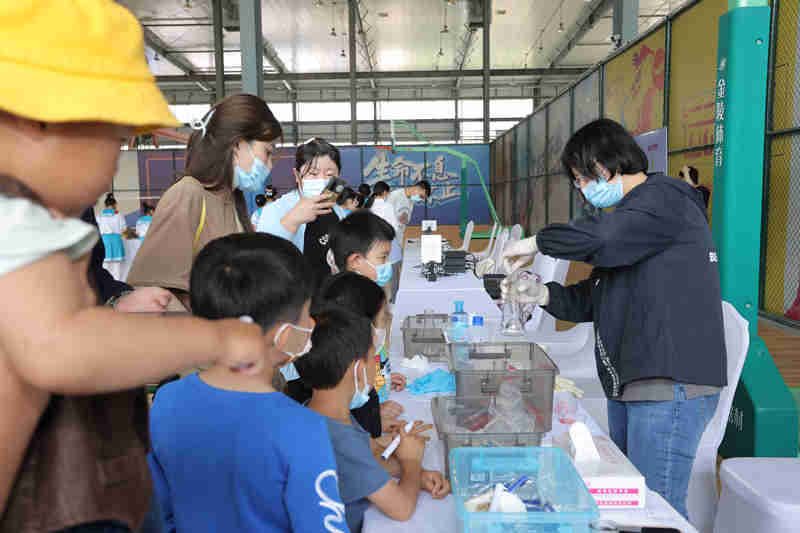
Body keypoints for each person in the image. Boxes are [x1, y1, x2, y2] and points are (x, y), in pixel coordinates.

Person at [0, 2, 269, 530]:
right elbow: (59, 348)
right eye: (116, 137)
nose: (117, 157)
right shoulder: (15, 216)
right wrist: (216, 339)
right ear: (38, 120)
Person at [502, 118, 726, 520]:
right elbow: (597, 296)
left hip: (668, 380)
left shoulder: (664, 199)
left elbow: (601, 237)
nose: (582, 189)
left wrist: (538, 242)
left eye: (583, 178)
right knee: (629, 501)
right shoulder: (634, 220)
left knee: (656, 511)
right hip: (634, 378)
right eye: (577, 181)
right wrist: (542, 294)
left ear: (606, 165)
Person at [148, 233, 348, 533]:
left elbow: (156, 511)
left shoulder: (166, 401)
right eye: (307, 314)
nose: (312, 324)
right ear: (282, 336)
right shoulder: (303, 429)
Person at [295, 307, 449, 533]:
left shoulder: (321, 410)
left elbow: (372, 457)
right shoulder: (341, 438)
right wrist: (411, 462)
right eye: (373, 360)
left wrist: (419, 475)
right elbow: (402, 509)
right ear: (358, 369)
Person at [127, 93, 281, 311]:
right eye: (267, 152)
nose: (270, 165)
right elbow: (153, 293)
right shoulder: (188, 194)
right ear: (237, 145)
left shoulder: (232, 199)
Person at [257, 138, 341, 284]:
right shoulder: (275, 210)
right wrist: (291, 221)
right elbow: (262, 260)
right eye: (313, 173)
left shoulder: (337, 207)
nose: (322, 180)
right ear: (297, 176)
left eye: (329, 174)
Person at [386, 180, 431, 298]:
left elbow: (405, 221)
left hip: (399, 238)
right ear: (418, 188)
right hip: (389, 238)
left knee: (398, 269)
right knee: (393, 270)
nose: (420, 199)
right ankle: (394, 299)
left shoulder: (411, 201)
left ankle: (397, 296)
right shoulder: (395, 195)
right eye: (421, 196)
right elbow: (385, 217)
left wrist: (404, 219)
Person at [368, 181, 403, 300]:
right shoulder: (387, 206)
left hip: (373, 245)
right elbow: (394, 227)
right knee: (393, 272)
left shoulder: (369, 206)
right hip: (389, 242)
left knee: (377, 274)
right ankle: (394, 298)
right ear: (384, 192)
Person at [97, 193, 127, 280]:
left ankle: (105, 283)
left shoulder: (99, 216)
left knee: (105, 265)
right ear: (114, 205)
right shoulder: (118, 215)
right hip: (116, 242)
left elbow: (96, 229)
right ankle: (117, 284)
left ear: (105, 205)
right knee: (117, 267)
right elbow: (124, 229)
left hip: (105, 241)